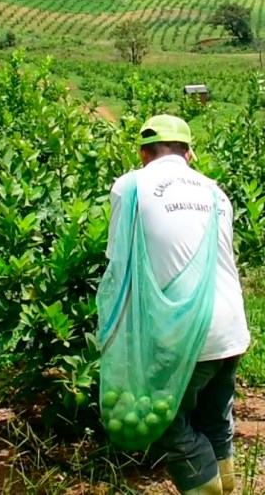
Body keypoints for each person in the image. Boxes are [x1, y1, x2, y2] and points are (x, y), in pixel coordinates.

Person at [107, 114, 250, 495]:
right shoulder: (216, 192)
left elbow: (118, 263)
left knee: (166, 422)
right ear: (189, 154)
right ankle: (228, 486)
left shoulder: (130, 186)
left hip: (185, 331)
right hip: (232, 326)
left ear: (142, 153)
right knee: (214, 419)